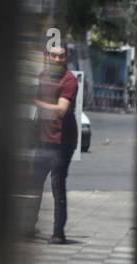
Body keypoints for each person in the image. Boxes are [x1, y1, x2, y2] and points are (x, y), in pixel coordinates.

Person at [27, 43, 80, 244]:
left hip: (62, 142)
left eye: (61, 56)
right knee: (34, 182)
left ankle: (59, 233)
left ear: (66, 58)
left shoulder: (70, 80)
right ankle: (29, 227)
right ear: (48, 56)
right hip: (43, 139)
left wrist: (35, 102)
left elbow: (60, 110)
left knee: (58, 184)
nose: (57, 59)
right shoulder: (43, 76)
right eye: (54, 56)